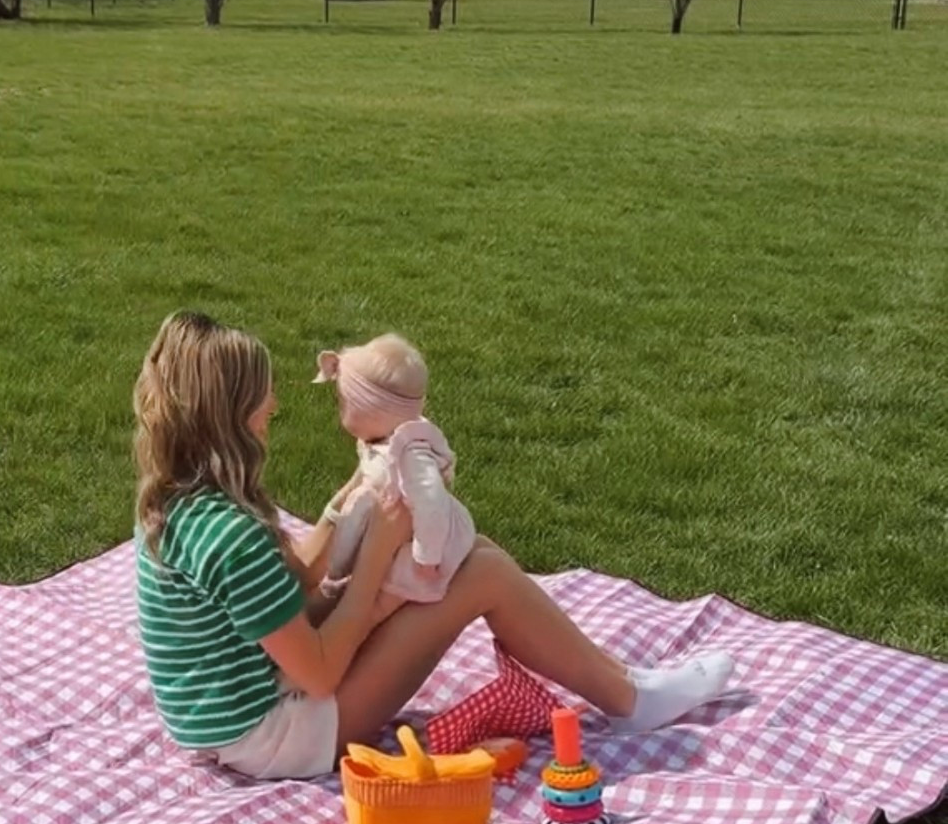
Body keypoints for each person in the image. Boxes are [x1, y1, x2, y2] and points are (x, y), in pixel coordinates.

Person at [133, 310, 734, 782]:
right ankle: (630, 701)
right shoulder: (231, 536)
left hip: (239, 711)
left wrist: (347, 505)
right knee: (481, 577)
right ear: (228, 414)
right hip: (279, 735)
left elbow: (295, 582)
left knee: (476, 555)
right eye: (262, 397)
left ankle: (623, 682)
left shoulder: (182, 502)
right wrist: (374, 562)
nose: (275, 405)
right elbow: (317, 674)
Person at [312, 333, 474, 613]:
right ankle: (340, 585)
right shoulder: (380, 439)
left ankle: (361, 619)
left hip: (419, 545)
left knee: (381, 602)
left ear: (371, 410)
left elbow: (432, 505)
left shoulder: (411, 456)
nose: (340, 411)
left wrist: (426, 559)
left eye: (344, 404)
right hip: (387, 528)